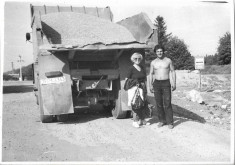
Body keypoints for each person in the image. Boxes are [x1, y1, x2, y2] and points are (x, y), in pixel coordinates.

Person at [149, 45, 176, 129]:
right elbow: (151, 73)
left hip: (166, 83)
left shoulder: (168, 61)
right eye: (157, 51)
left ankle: (170, 122)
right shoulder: (153, 62)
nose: (159, 53)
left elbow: (172, 71)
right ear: (155, 52)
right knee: (159, 103)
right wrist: (150, 84)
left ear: (163, 51)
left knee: (167, 103)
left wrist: (174, 83)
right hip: (156, 83)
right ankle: (162, 120)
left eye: (161, 51)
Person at [126, 52, 150, 128]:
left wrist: (146, 87)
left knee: (142, 103)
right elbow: (127, 79)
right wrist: (131, 88)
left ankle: (142, 119)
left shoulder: (142, 67)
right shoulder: (131, 68)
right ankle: (135, 121)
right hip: (134, 88)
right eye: (135, 58)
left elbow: (145, 78)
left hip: (142, 87)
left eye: (139, 58)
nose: (137, 60)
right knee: (135, 104)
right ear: (133, 59)